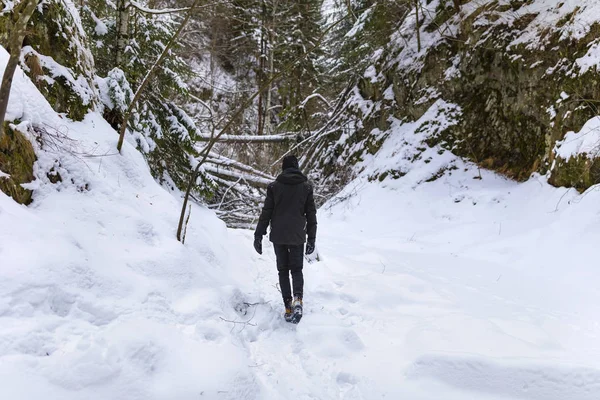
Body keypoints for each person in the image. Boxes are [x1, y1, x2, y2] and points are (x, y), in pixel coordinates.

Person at [253, 155, 317, 323]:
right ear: (297, 167)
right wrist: (312, 239)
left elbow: (266, 212)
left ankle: (288, 306)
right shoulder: (306, 187)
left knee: (283, 270)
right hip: (297, 235)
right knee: (296, 269)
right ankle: (298, 300)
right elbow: (311, 215)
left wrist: (258, 234)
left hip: (279, 235)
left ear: (283, 168)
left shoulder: (274, 187)